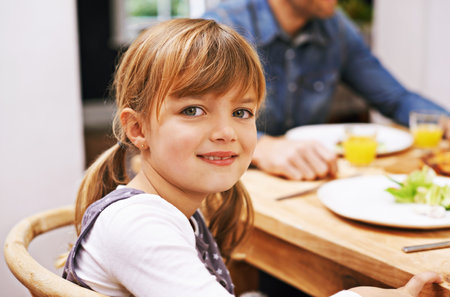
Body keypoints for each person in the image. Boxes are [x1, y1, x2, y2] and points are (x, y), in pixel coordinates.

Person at [62, 18, 442, 297]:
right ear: (138, 129)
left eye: (242, 113)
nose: (226, 131)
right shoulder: (139, 225)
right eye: (193, 110)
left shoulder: (168, 210)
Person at [203, 0, 450, 181]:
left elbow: (395, 98)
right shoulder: (222, 27)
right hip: (233, 184)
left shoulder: (336, 28)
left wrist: (446, 122)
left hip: (310, 180)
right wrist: (260, 146)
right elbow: (185, 120)